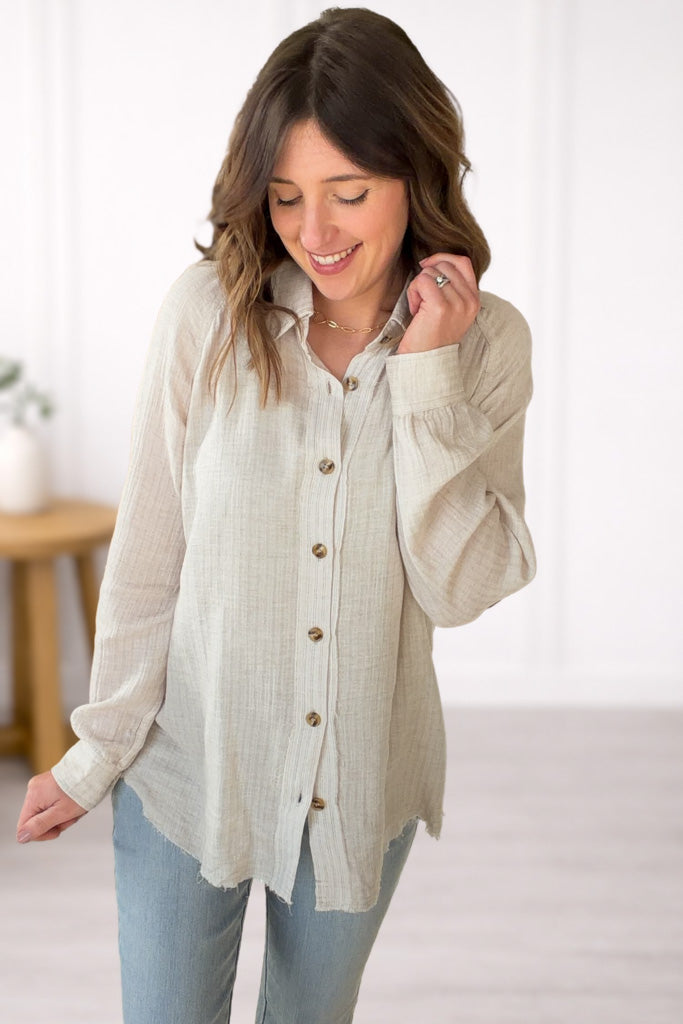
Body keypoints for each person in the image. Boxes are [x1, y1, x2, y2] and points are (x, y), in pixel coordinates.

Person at [16, 7, 536, 1022]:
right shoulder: (205, 314)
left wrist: (425, 373)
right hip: (187, 770)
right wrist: (98, 749)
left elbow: (460, 585)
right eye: (288, 195)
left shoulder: (485, 344)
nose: (315, 230)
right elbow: (150, 551)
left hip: (361, 779)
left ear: (414, 175)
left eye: (349, 193)